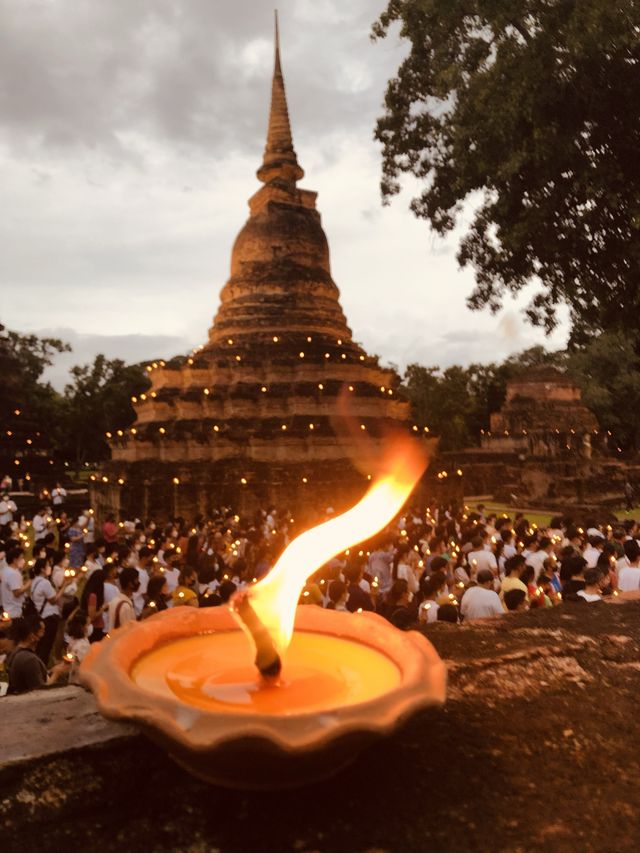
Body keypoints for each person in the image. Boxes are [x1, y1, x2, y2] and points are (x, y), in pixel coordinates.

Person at [6, 616, 69, 694]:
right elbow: (40, 692)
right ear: (32, 636)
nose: (44, 635)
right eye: (42, 631)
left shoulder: (16, 652)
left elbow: (31, 675)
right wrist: (57, 674)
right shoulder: (29, 660)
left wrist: (51, 671)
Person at [30, 556, 72, 664]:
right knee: (46, 646)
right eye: (48, 566)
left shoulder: (35, 581)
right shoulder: (45, 583)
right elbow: (54, 600)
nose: (50, 568)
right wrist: (65, 586)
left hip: (41, 615)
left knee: (41, 644)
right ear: (42, 569)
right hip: (49, 617)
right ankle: (41, 666)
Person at [1, 546, 31, 618]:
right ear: (15, 560)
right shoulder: (12, 573)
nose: (23, 560)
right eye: (21, 558)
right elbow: (17, 593)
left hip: (8, 608)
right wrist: (29, 584)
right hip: (14, 610)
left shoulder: (6, 570)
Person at [107, 566, 139, 630]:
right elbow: (128, 631)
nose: (138, 582)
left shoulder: (114, 600)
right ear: (130, 584)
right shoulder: (125, 606)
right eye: (137, 580)